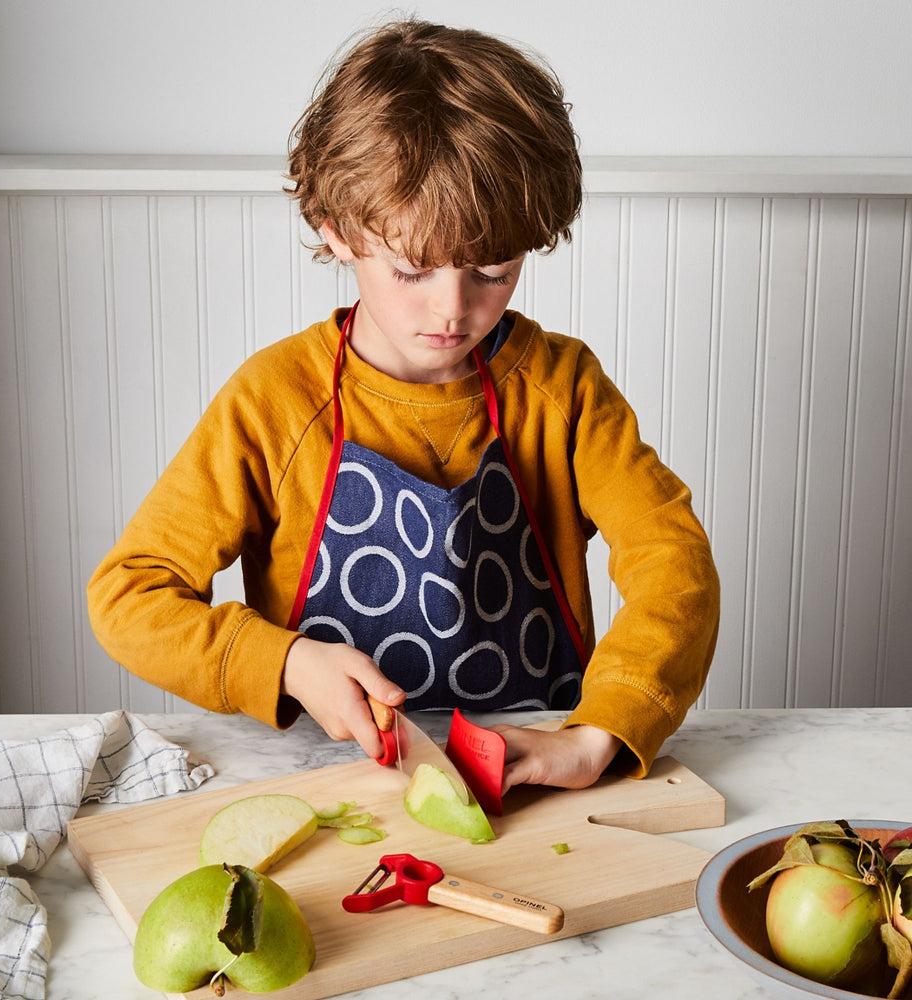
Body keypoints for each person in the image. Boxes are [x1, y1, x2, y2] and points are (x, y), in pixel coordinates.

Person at [87, 19, 719, 796]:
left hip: (536, 771)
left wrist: (602, 731)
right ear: (338, 231)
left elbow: (674, 561)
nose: (454, 310)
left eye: (493, 268)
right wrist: (283, 662)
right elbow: (130, 595)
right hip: (325, 779)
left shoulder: (562, 389)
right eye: (414, 268)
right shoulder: (274, 401)